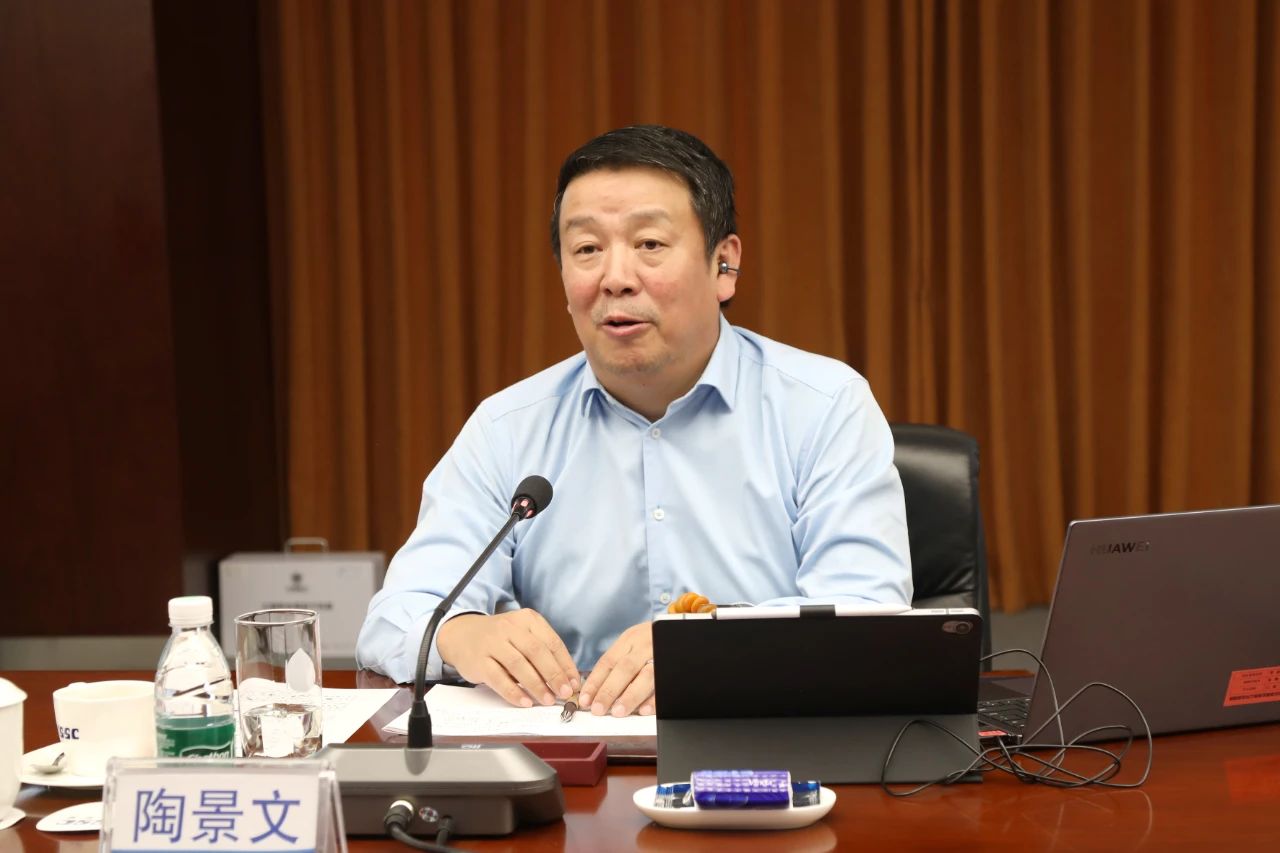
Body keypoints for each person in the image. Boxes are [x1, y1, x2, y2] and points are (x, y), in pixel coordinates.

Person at [356, 125, 912, 717]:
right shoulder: (507, 429)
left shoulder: (823, 406)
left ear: (724, 265)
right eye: (586, 250)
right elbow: (392, 619)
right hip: (569, 754)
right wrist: (459, 632)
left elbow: (869, 614)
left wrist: (712, 646)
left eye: (649, 243)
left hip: (765, 745)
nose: (615, 278)